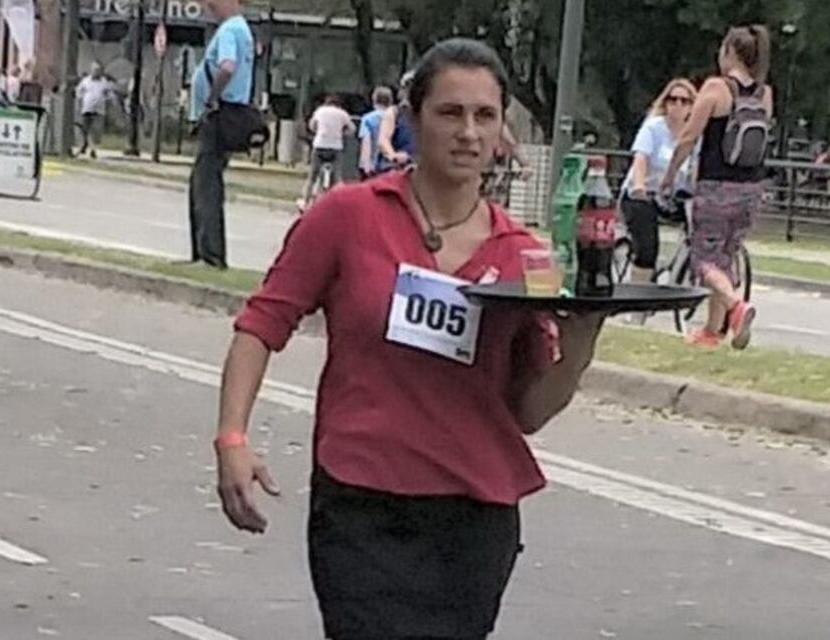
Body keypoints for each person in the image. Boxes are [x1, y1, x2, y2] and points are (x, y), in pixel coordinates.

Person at [214, 38, 606, 640]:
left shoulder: (523, 254)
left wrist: (579, 347)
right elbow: (261, 325)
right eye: (450, 113)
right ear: (413, 118)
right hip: (363, 507)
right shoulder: (349, 215)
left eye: (485, 116)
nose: (468, 133)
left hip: (474, 518)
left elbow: (527, 412)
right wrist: (232, 438)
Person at [662, 24, 773, 350]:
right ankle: (713, 331)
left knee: (704, 260)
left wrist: (670, 175)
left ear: (729, 52)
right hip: (752, 188)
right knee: (726, 255)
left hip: (715, 186)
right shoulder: (764, 94)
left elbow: (689, 137)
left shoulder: (715, 88)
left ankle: (735, 306)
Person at [187, 0, 255, 269]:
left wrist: (211, 98)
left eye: (211, 4)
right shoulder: (242, 29)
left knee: (206, 184)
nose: (208, 8)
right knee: (202, 181)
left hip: (218, 115)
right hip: (229, 113)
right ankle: (202, 250)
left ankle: (210, 254)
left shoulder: (229, 30)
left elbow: (227, 66)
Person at [618, 78, 697, 283]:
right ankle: (637, 302)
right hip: (644, 195)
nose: (678, 105)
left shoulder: (695, 135)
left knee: (700, 233)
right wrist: (639, 185)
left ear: (692, 106)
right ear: (665, 103)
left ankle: (680, 274)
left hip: (673, 198)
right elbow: (641, 158)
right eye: (673, 100)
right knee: (647, 248)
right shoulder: (653, 128)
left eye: (685, 101)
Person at [301, 94, 354, 206]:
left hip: (320, 145)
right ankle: (342, 202)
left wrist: (317, 131)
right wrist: (342, 133)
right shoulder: (342, 113)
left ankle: (305, 201)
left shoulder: (320, 111)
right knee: (338, 177)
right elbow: (352, 129)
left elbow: (312, 125)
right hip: (335, 147)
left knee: (312, 176)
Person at [376, 70, 418, 172]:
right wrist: (392, 155)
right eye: (407, 87)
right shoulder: (394, 113)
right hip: (398, 168)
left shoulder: (428, 114)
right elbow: (383, 139)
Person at [75, 63, 114, 158]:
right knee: (85, 129)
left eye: (98, 70)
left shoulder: (104, 82)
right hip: (87, 108)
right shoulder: (86, 81)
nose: (96, 72)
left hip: (99, 110)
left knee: (96, 131)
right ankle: (84, 145)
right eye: (95, 70)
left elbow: (109, 95)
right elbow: (78, 92)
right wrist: (80, 103)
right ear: (91, 70)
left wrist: (108, 104)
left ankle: (93, 149)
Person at [357, 85, 394, 178]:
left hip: (374, 164)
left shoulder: (368, 119)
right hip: (393, 164)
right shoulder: (395, 117)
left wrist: (366, 164)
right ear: (390, 100)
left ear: (374, 100)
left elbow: (366, 140)